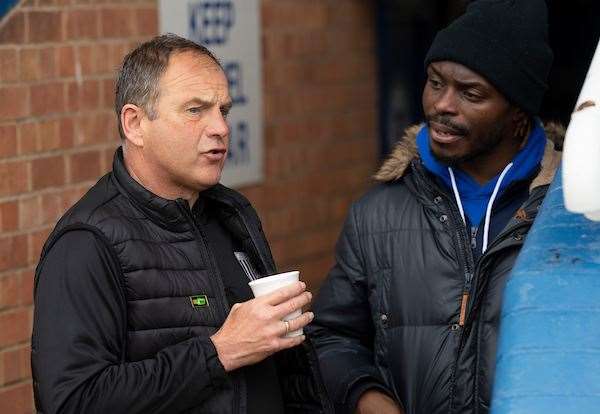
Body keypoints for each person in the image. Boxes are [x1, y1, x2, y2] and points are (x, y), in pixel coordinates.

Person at [31, 34, 331, 414]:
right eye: (195, 110)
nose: (220, 127)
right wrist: (219, 352)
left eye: (223, 110)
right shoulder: (87, 242)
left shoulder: (232, 212)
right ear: (135, 123)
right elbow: (72, 402)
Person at [308, 1, 563, 413]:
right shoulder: (378, 213)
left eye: (471, 93)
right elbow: (331, 337)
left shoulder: (573, 215)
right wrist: (367, 398)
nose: (442, 105)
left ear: (518, 115)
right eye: (435, 82)